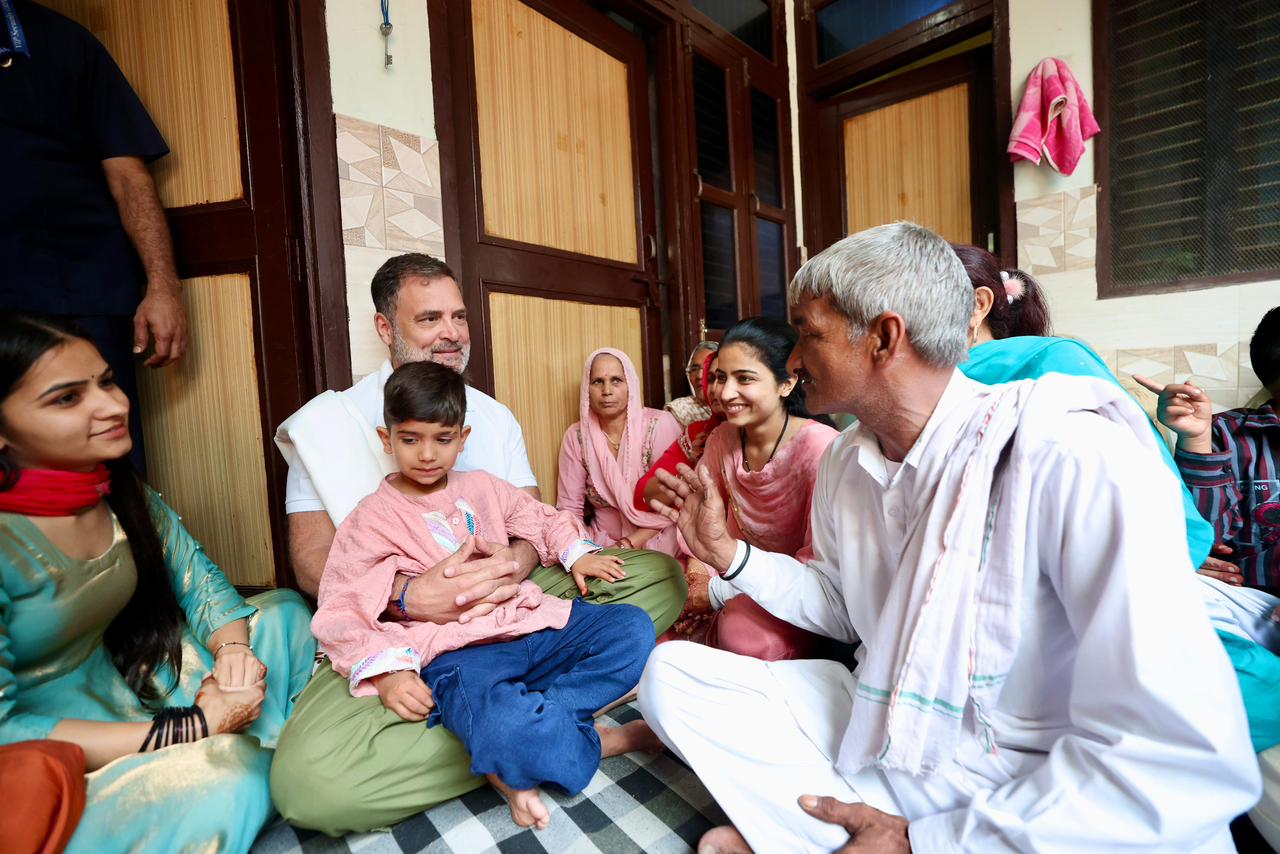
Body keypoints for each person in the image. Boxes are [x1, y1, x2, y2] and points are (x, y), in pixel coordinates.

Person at [639, 223, 1258, 853]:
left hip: (1043, 777)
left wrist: (928, 843)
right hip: (903, 736)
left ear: (884, 337)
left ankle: (850, 838)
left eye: (808, 332)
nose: (793, 360)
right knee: (675, 677)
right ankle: (848, 834)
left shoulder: (1066, 451)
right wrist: (727, 554)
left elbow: (1185, 756)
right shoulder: (845, 463)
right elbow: (841, 608)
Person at [269, 265, 686, 835]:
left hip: (518, 607)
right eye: (429, 317)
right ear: (385, 328)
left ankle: (515, 724)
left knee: (647, 598)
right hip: (437, 642)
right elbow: (328, 584)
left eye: (459, 316)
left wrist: (554, 558)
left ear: (460, 439)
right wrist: (412, 600)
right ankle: (548, 738)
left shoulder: (487, 438)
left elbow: (536, 523)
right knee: (310, 786)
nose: (451, 332)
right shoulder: (330, 432)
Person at [0, 313, 315, 853]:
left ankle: (265, 749)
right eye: (66, 399)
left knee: (286, 613)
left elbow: (199, 582)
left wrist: (235, 655)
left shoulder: (111, 485)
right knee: (233, 776)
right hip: (54, 750)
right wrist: (193, 727)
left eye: (105, 381)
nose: (113, 405)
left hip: (124, 682)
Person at [313, 361, 659, 829]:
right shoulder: (370, 519)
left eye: (443, 438)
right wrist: (391, 672)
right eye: (410, 439)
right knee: (501, 724)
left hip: (529, 623)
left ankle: (533, 729)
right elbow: (341, 606)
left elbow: (538, 516)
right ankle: (593, 740)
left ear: (463, 436)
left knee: (632, 628)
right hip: (460, 654)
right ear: (385, 438)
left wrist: (576, 553)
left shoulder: (482, 488)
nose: (427, 454)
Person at [0, 1, 189, 468]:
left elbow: (128, 176)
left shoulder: (66, 41)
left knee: (108, 460)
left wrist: (163, 287)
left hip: (78, 289)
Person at [952, 244, 1218, 574]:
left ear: (979, 305)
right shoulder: (912, 382)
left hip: (1088, 560)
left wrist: (1171, 543)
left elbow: (1134, 467)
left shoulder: (1056, 359)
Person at [669, 317, 838, 659]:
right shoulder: (723, 439)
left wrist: (715, 592)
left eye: (743, 378)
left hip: (791, 598)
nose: (724, 393)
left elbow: (813, 574)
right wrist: (698, 576)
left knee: (746, 637)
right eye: (719, 378)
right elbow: (702, 526)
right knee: (657, 606)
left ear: (787, 383)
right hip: (723, 573)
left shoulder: (820, 450)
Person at [557, 348, 682, 556]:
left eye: (616, 380)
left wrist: (626, 546)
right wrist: (583, 555)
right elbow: (569, 509)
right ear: (587, 389)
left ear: (630, 385)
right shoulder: (577, 437)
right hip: (602, 544)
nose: (607, 390)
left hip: (660, 538)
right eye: (598, 381)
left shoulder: (660, 425)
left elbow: (678, 502)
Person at [664, 341, 718, 426]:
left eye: (707, 367)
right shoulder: (680, 410)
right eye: (694, 369)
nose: (699, 376)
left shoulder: (731, 408)